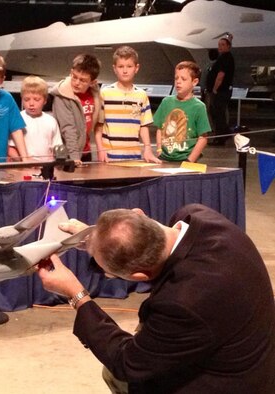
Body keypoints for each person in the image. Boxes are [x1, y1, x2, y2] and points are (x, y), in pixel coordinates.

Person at [38, 204, 275, 393]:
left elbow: (127, 362)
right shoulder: (198, 217)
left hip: (233, 381)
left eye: (107, 272)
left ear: (139, 276)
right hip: (247, 347)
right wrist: (100, 237)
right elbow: (145, 237)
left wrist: (76, 295)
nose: (105, 273)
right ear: (140, 215)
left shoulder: (183, 303)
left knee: (117, 374)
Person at [95, 46, 160, 163]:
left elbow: (143, 125)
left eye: (129, 66)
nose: (125, 71)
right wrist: (100, 150)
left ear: (136, 68)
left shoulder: (141, 95)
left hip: (133, 157)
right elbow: (98, 126)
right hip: (109, 157)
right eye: (121, 66)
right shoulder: (105, 93)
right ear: (114, 68)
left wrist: (148, 148)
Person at [51, 54, 103, 166]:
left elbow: (97, 122)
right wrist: (74, 157)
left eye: (83, 80)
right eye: (74, 77)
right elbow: (68, 128)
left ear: (93, 82)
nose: (77, 82)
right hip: (68, 155)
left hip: (85, 152)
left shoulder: (94, 93)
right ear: (71, 72)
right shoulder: (63, 95)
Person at [154, 61, 210, 162]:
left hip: (185, 159)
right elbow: (159, 128)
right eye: (176, 78)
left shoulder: (199, 107)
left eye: (183, 79)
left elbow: (203, 138)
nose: (178, 82)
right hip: (164, 159)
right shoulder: (166, 102)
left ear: (194, 82)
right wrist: (159, 151)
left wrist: (190, 160)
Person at [12, 75, 62, 160]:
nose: (31, 103)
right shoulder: (18, 119)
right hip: (24, 168)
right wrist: (24, 160)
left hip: (47, 168)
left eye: (36, 99)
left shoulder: (51, 121)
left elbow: (57, 147)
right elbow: (11, 148)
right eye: (27, 99)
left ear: (45, 100)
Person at [207, 34, 235, 146]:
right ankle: (224, 133)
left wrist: (214, 89)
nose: (220, 47)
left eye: (223, 45)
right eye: (219, 45)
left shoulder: (225, 58)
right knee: (218, 113)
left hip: (220, 91)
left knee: (218, 114)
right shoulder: (224, 57)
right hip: (222, 91)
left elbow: (221, 75)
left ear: (228, 46)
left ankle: (221, 137)